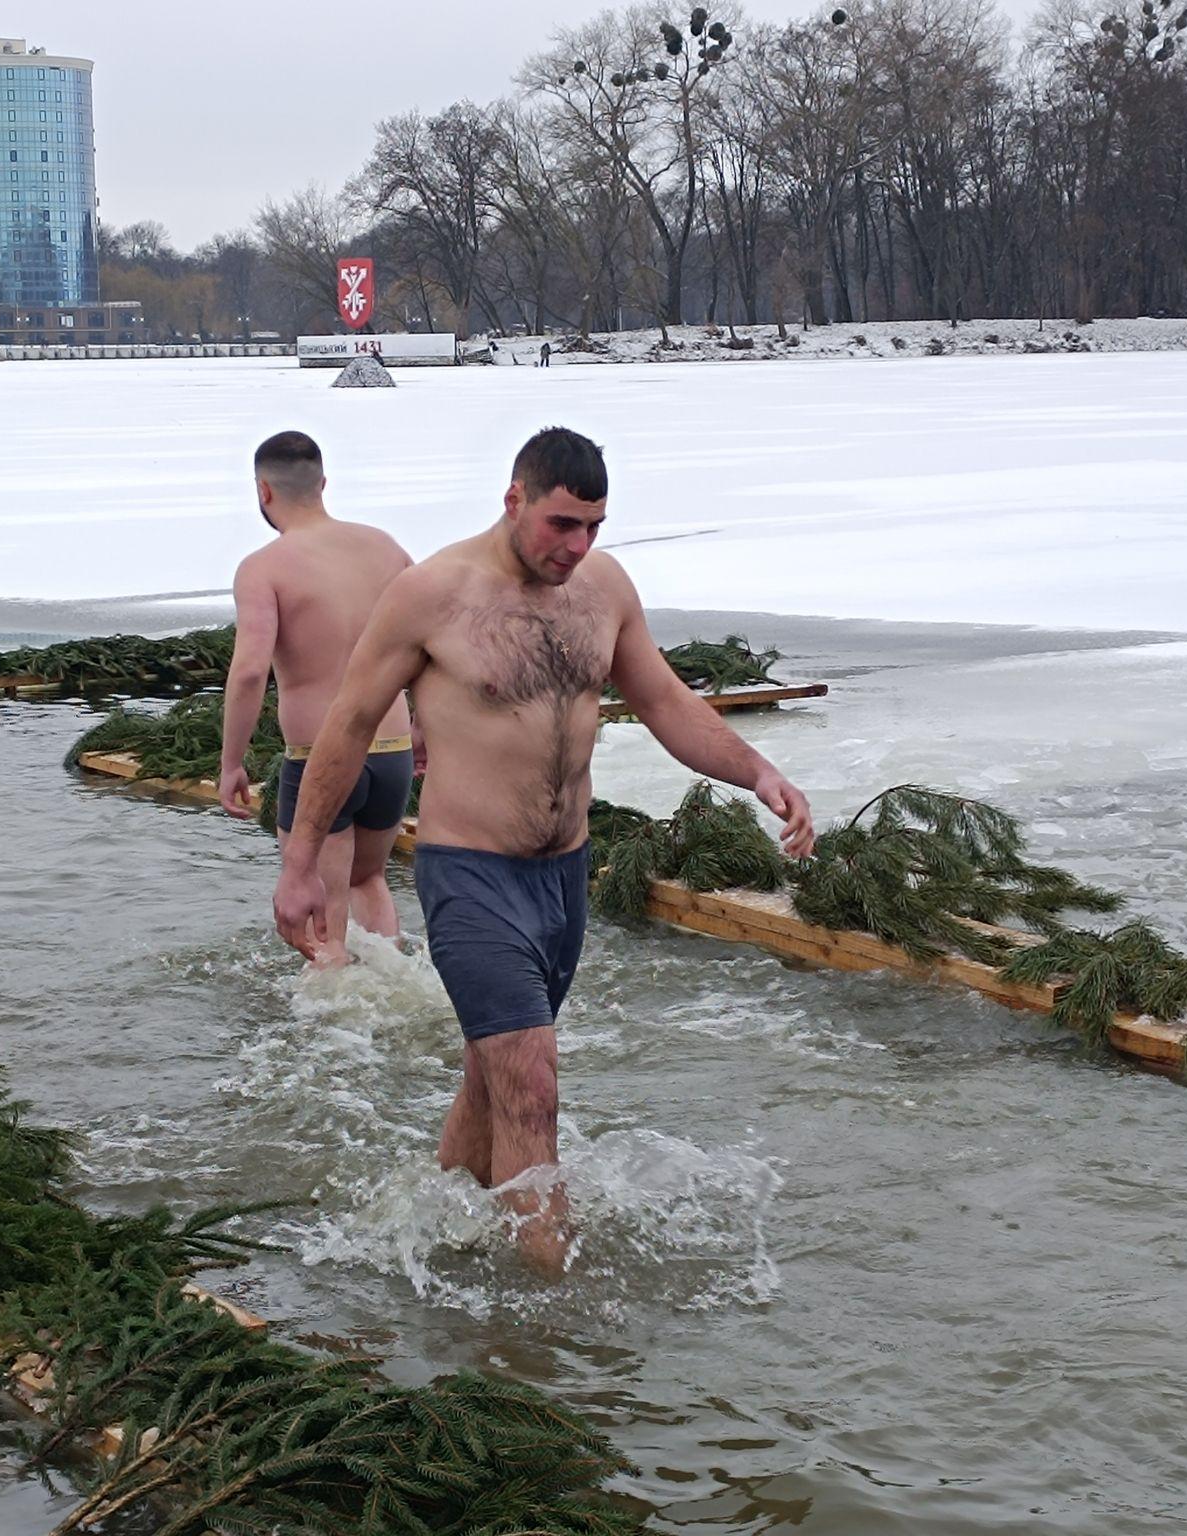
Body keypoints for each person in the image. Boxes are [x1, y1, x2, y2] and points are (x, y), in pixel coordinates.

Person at [273, 427, 814, 1271]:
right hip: (471, 875)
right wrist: (302, 864)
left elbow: (666, 701)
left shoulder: (602, 589)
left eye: (594, 526)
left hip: (563, 877)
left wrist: (757, 772)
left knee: (495, 1083)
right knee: (534, 1081)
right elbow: (344, 727)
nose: (578, 546)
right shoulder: (433, 595)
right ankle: (541, 1334)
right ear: (514, 499)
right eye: (562, 524)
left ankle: (429, 1237)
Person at [221, 431, 418, 969]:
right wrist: (422, 730)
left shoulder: (264, 567)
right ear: (323, 484)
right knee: (371, 880)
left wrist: (232, 762)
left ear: (263, 491)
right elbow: (428, 643)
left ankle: (331, 1030)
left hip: (320, 761)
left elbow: (248, 672)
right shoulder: (384, 547)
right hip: (393, 748)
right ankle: (394, 985)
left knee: (323, 915)